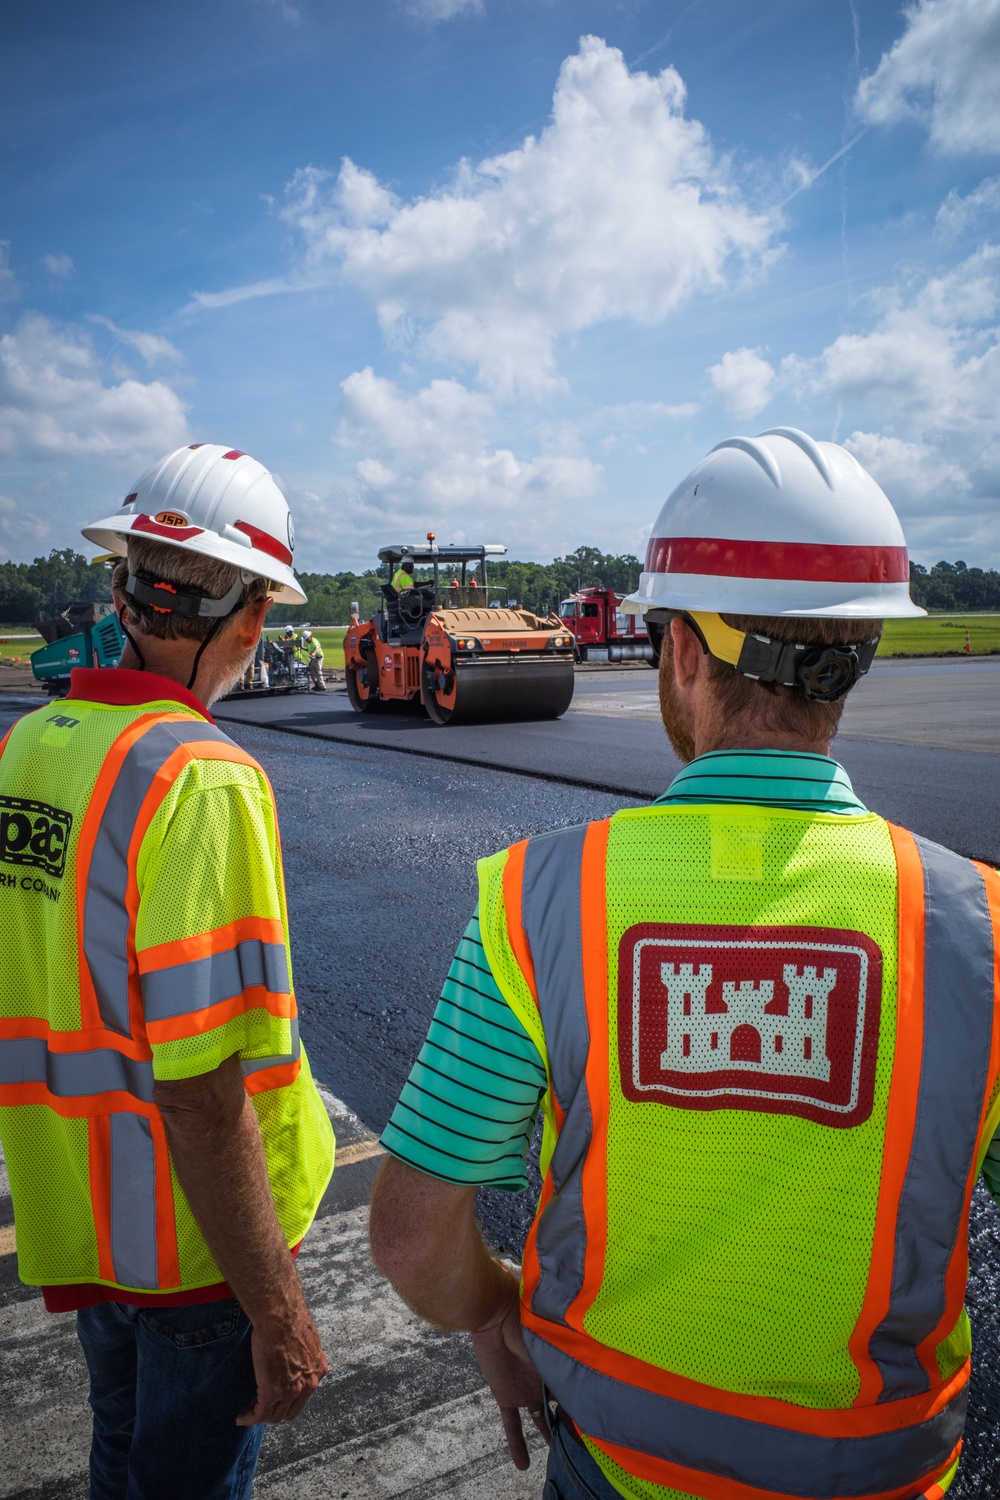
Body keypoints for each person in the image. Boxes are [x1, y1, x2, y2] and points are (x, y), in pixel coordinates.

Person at [369, 427, 1000, 1500]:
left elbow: (411, 1235)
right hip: (884, 1470)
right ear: (861, 654)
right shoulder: (978, 924)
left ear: (682, 653)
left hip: (615, 1462)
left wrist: (495, 1312)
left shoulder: (532, 901)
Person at [0, 443, 335, 1499]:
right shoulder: (202, 779)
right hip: (195, 1255)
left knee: (120, 1458)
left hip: (86, 1223)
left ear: (120, 585)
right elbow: (199, 1090)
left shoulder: (37, 744)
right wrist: (277, 1309)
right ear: (251, 620)